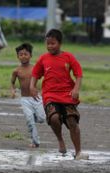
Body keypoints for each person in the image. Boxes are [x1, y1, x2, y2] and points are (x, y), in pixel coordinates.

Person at [30, 29, 89, 160]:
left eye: (53, 43)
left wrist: (76, 89)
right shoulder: (43, 59)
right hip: (50, 94)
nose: (50, 46)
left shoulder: (68, 57)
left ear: (60, 43)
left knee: (72, 121)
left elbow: (78, 74)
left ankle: (78, 152)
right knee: (54, 118)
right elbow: (35, 74)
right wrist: (32, 86)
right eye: (48, 44)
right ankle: (60, 139)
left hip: (67, 94)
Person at [11, 43, 45, 148]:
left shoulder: (35, 68)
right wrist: (13, 91)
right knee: (30, 121)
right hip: (25, 99)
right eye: (21, 54)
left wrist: (44, 91)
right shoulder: (16, 71)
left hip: (36, 97)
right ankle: (35, 141)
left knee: (41, 118)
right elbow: (12, 82)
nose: (23, 56)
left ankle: (32, 116)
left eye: (26, 54)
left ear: (30, 55)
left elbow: (45, 79)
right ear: (18, 57)